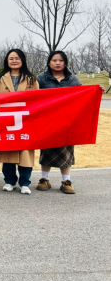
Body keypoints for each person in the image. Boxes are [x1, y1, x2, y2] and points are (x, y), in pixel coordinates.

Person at [35, 51, 104, 194]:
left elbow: (83, 96)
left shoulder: (73, 79)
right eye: (54, 60)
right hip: (48, 120)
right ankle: (44, 179)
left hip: (67, 121)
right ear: (49, 62)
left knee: (66, 150)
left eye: (61, 60)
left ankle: (66, 181)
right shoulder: (41, 78)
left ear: (65, 62)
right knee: (46, 149)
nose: (57, 63)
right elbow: (33, 96)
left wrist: (96, 92)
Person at [0, 49, 39, 195]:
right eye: (11, 58)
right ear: (7, 61)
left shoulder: (31, 79)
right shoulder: (0, 79)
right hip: (6, 121)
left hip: (25, 121)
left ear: (22, 60)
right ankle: (9, 181)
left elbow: (38, 100)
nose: (14, 61)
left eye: (17, 58)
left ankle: (25, 183)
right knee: (8, 153)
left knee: (25, 154)